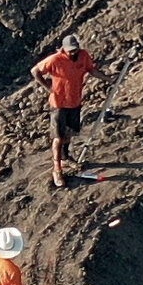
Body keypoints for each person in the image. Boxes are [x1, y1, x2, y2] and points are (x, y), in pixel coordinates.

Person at [29, 34, 99, 187]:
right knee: (58, 138)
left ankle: (65, 158)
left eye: (75, 50)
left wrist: (109, 79)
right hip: (59, 104)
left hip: (74, 102)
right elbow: (35, 71)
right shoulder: (55, 60)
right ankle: (57, 169)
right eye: (70, 51)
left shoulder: (83, 56)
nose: (73, 53)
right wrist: (49, 88)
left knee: (69, 134)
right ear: (63, 49)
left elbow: (91, 70)